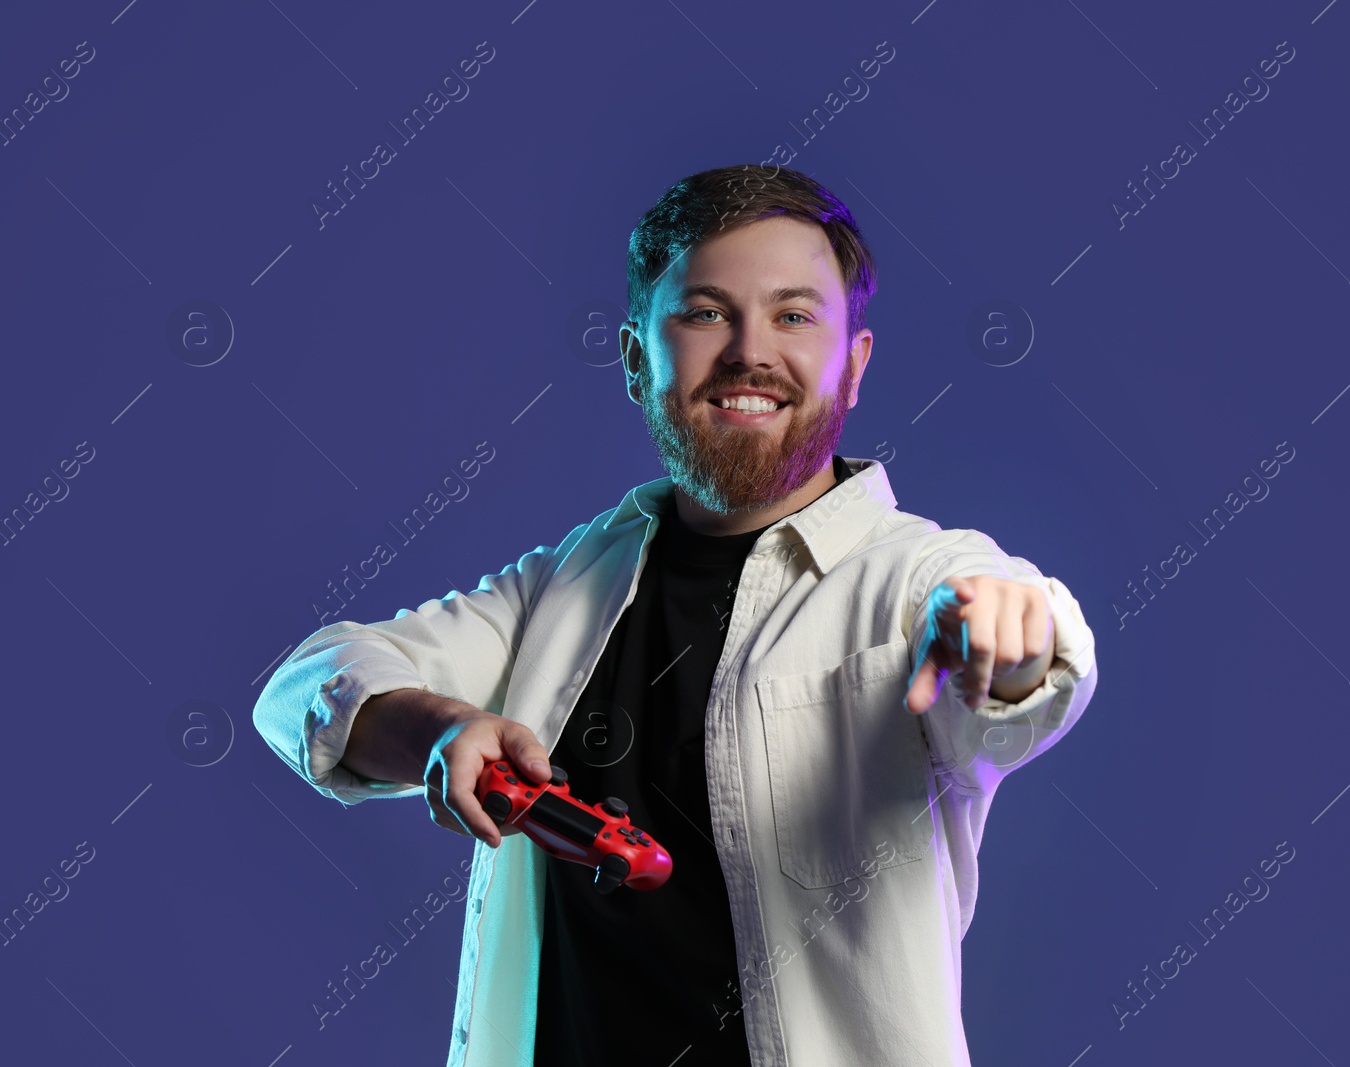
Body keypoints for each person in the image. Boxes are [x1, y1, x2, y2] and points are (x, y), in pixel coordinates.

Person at [253, 163, 1099, 1067]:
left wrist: (1010, 638)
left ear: (852, 367)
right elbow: (304, 684)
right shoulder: (566, 584)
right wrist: (439, 730)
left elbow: (1032, 662)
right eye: (704, 312)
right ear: (633, 360)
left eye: (795, 315)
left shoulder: (922, 576)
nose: (748, 352)